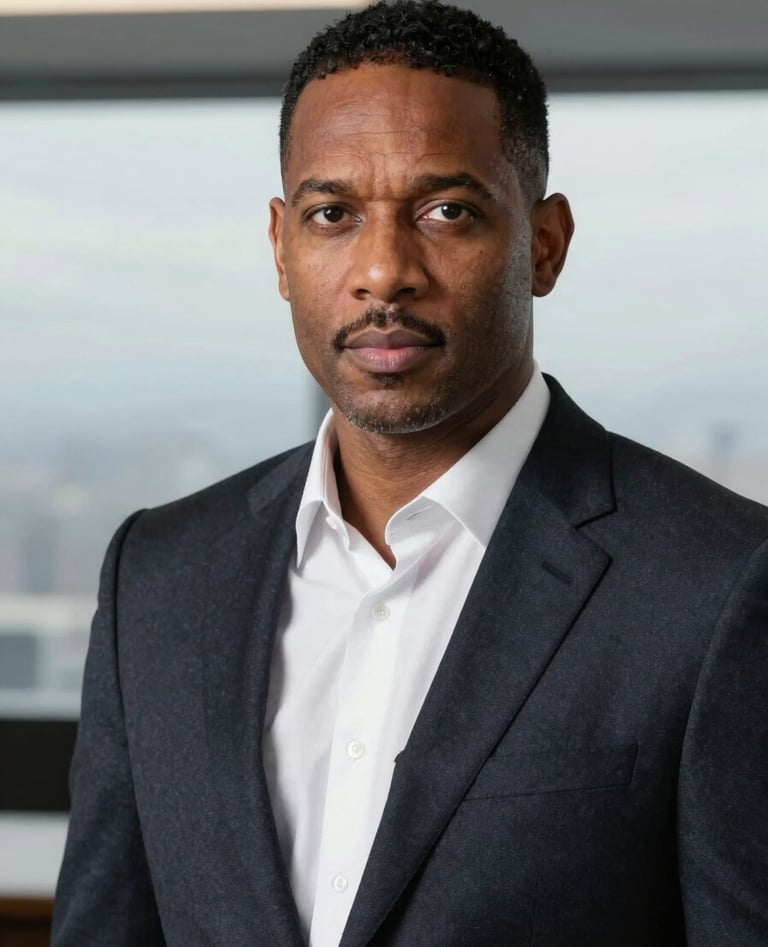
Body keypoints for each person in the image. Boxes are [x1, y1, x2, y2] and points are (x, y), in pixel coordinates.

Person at [52, 1, 768, 945]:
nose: (383, 271)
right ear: (280, 245)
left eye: (446, 211)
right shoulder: (158, 575)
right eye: (332, 214)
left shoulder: (718, 583)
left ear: (544, 244)